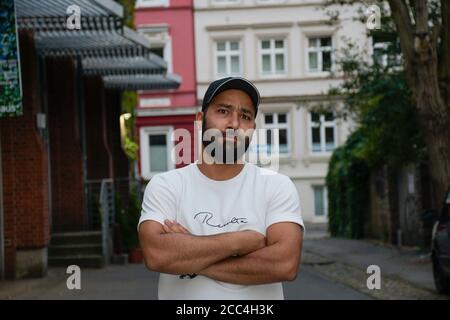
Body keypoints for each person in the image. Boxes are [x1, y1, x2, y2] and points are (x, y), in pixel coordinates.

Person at [138, 77, 304, 300]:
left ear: (252, 129)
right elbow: (157, 255)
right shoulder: (167, 186)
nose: (234, 124)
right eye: (223, 111)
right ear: (200, 120)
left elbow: (284, 265)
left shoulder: (276, 186)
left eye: (245, 116)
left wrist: (187, 258)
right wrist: (241, 242)